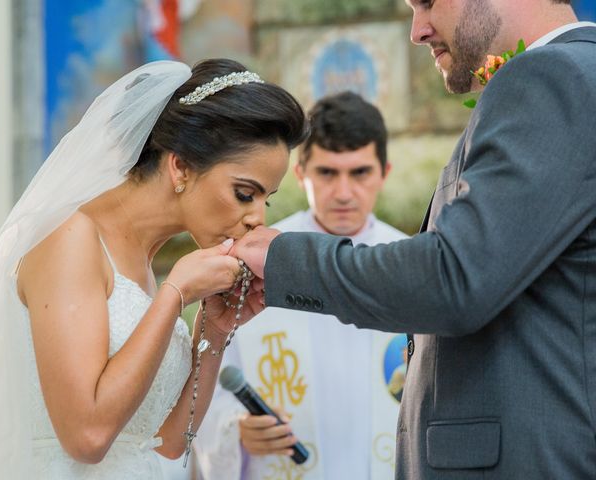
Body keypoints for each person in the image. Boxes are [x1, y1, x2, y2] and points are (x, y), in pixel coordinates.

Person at [232, 1, 596, 478]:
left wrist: (284, 260)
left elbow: (456, 276)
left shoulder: (554, 78)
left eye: (426, 2)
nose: (416, 31)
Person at [0, 58, 307, 479]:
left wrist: (213, 331)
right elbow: (86, 436)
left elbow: (168, 441)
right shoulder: (69, 237)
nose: (257, 220)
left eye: (264, 200)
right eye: (243, 193)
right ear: (181, 166)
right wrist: (174, 293)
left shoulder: (142, 262)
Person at [194, 92, 407, 480]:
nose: (343, 192)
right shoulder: (257, 257)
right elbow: (205, 387)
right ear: (300, 174)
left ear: (384, 172)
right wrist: (236, 429)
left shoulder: (411, 261)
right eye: (327, 173)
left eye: (359, 172)